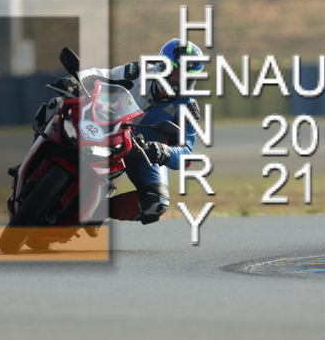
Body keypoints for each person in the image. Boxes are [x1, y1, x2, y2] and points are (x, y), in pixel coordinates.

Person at [34, 38, 204, 235]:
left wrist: (162, 151)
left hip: (143, 149)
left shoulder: (189, 107)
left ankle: (99, 211)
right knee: (55, 105)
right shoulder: (138, 71)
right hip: (106, 126)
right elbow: (101, 75)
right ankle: (35, 160)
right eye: (175, 73)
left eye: (186, 78)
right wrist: (77, 80)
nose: (178, 81)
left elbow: (187, 153)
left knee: (156, 203)